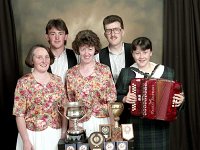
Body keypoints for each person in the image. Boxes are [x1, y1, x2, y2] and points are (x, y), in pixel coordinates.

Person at [116, 37, 185, 149]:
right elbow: (115, 97)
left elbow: (178, 101)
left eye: (145, 52)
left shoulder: (167, 72)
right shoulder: (126, 73)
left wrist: (180, 101)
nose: (141, 57)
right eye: (137, 53)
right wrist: (124, 99)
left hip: (160, 128)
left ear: (151, 52)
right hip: (135, 127)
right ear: (132, 54)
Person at [13, 44, 67, 150]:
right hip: (32, 136)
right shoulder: (23, 82)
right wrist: (26, 141)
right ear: (32, 60)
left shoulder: (57, 80)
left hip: (55, 134)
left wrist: (64, 132)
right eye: (39, 57)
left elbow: (64, 109)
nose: (44, 60)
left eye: (47, 57)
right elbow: (19, 114)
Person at [66, 30, 117, 137]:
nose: (86, 53)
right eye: (83, 49)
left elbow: (111, 100)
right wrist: (71, 129)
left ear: (95, 49)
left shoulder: (104, 70)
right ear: (78, 50)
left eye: (90, 49)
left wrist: (113, 126)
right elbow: (71, 104)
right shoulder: (71, 73)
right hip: (80, 123)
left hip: (103, 122)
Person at [96, 15, 134, 83]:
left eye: (116, 30)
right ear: (105, 34)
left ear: (122, 32)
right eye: (108, 31)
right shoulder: (97, 56)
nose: (112, 34)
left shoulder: (134, 50)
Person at [45, 18, 77, 83]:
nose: (57, 38)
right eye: (53, 34)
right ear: (47, 37)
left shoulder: (76, 55)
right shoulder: (40, 57)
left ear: (66, 36)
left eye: (60, 34)